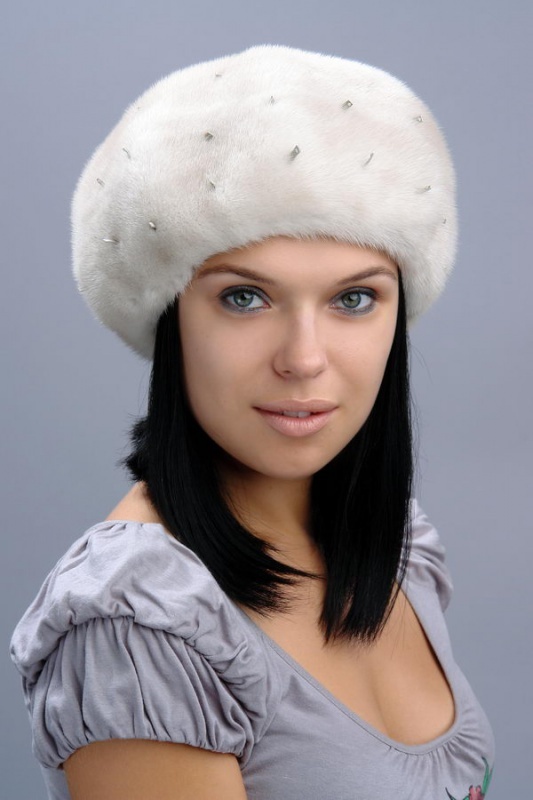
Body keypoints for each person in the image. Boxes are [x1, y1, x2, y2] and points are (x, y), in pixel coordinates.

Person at [10, 44, 495, 799]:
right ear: (170, 319)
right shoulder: (138, 629)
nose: (304, 359)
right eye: (244, 297)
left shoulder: (392, 543)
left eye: (354, 299)